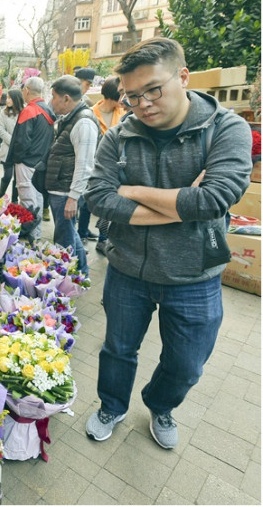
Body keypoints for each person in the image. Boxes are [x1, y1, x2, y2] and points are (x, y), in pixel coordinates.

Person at [84, 37, 252, 449]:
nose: (143, 104)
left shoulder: (225, 129)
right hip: (128, 270)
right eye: (132, 96)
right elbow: (98, 197)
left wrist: (132, 190)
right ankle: (112, 405)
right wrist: (183, 204)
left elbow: (215, 198)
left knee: (186, 363)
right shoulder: (119, 137)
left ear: (183, 76)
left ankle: (161, 405)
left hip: (194, 275)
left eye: (153, 90)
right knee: (118, 349)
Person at [46, 75, 100, 276]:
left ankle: (70, 278)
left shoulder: (83, 122)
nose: (51, 102)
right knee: (70, 234)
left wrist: (73, 197)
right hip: (61, 189)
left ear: (66, 98)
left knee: (64, 239)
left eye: (54, 97)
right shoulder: (71, 118)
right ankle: (81, 274)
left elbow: (85, 165)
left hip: (66, 192)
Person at [5, 77, 55, 241]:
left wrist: (16, 159)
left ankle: (30, 234)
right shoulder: (47, 109)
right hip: (41, 162)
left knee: (27, 199)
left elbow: (21, 142)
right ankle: (37, 233)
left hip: (27, 163)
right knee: (38, 198)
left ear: (26, 90)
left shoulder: (29, 110)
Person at [90, 76, 126, 255]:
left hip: (120, 165)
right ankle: (100, 238)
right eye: (121, 94)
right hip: (99, 165)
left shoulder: (123, 115)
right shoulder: (92, 113)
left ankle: (104, 238)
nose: (124, 99)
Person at [0, 89, 23, 203]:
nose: (7, 100)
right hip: (7, 149)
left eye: (10, 98)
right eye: (7, 97)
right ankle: (1, 195)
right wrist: (13, 141)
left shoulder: (24, 111)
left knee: (17, 178)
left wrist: (18, 143)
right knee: (7, 175)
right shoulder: (3, 112)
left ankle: (14, 200)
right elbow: (1, 130)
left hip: (19, 149)